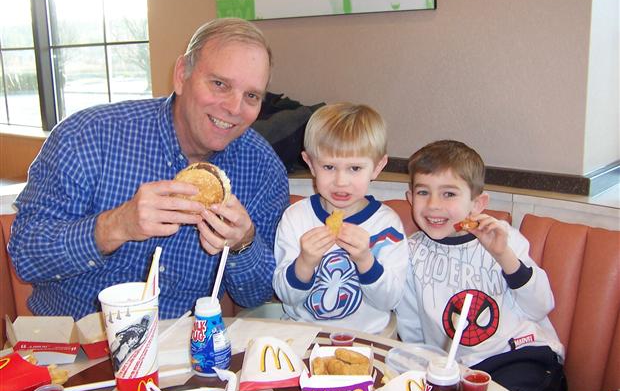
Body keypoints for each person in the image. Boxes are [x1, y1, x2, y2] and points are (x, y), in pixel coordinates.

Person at [8, 18, 289, 320]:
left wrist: (242, 244)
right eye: (220, 84)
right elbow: (26, 254)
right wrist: (116, 225)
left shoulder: (262, 169)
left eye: (251, 96)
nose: (234, 108)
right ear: (182, 75)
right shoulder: (87, 136)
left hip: (183, 352)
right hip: (74, 346)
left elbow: (257, 295)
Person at [396, 140, 567, 391]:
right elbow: (412, 332)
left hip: (519, 356)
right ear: (410, 198)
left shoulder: (504, 238)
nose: (433, 205)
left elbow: (540, 306)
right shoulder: (409, 253)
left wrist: (503, 256)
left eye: (449, 193)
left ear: (477, 204)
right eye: (423, 192)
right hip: (456, 370)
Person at [272, 103, 408, 334]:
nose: (341, 181)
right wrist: (305, 262)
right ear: (310, 164)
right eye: (329, 167)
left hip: (368, 339)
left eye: (355, 168)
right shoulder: (295, 218)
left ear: (377, 167)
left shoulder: (387, 226)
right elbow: (286, 296)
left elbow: (390, 301)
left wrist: (366, 260)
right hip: (303, 334)